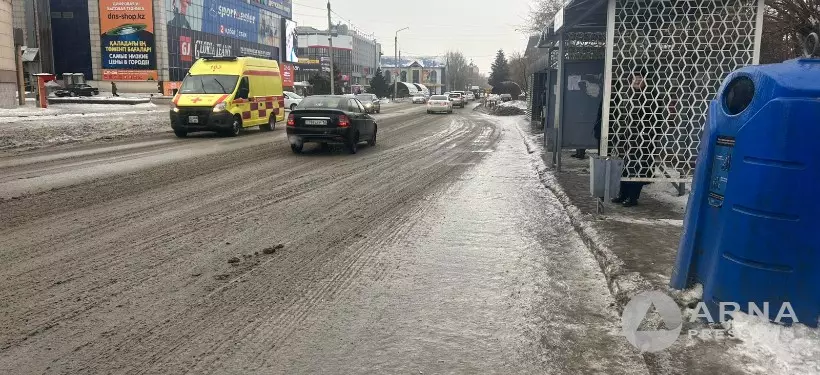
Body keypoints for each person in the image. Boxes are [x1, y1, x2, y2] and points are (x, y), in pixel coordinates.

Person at [612, 69, 654, 207]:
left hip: (641, 140)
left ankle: (633, 197)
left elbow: (654, 119)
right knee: (624, 167)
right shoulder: (627, 95)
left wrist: (647, 137)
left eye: (640, 79)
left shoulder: (650, 97)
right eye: (635, 79)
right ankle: (623, 194)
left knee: (637, 167)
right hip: (626, 138)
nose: (637, 82)